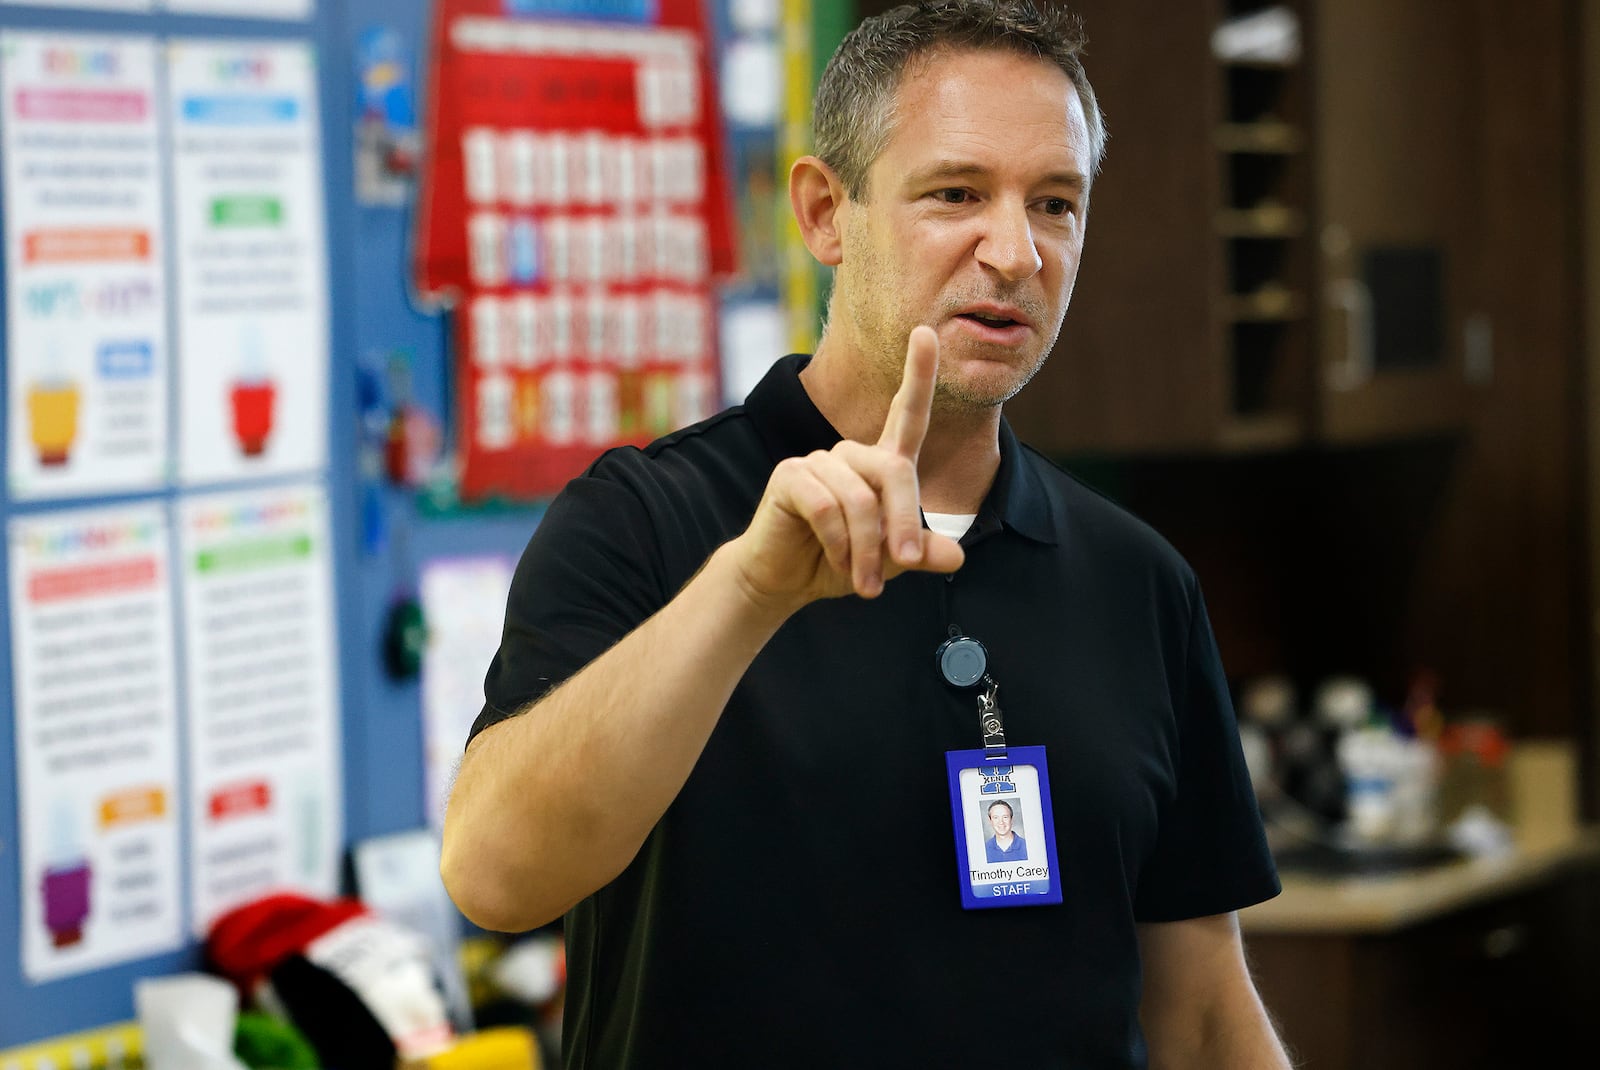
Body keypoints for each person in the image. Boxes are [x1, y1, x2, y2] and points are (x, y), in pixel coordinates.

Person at [442, 1, 1291, 1065]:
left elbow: (1204, 1012)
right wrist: (747, 591)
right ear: (823, 212)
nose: (1016, 251)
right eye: (956, 193)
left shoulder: (1136, 578)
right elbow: (495, 874)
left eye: (1056, 203)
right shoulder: (644, 523)